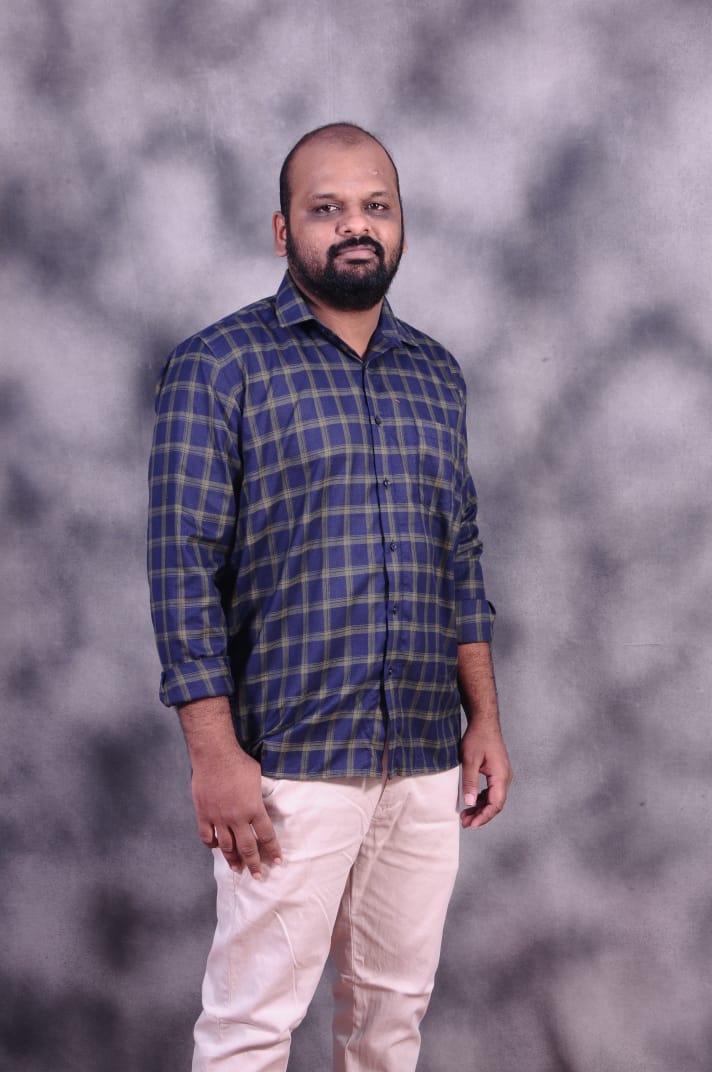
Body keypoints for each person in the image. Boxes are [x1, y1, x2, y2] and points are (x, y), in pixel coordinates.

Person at [147, 121, 512, 1072]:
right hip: (289, 760)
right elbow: (182, 568)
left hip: (424, 757)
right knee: (251, 1026)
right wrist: (214, 755)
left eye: (375, 206)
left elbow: (460, 557)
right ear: (283, 231)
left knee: (391, 1021)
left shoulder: (436, 374)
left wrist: (482, 719)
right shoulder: (219, 366)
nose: (356, 225)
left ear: (400, 224)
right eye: (328, 208)